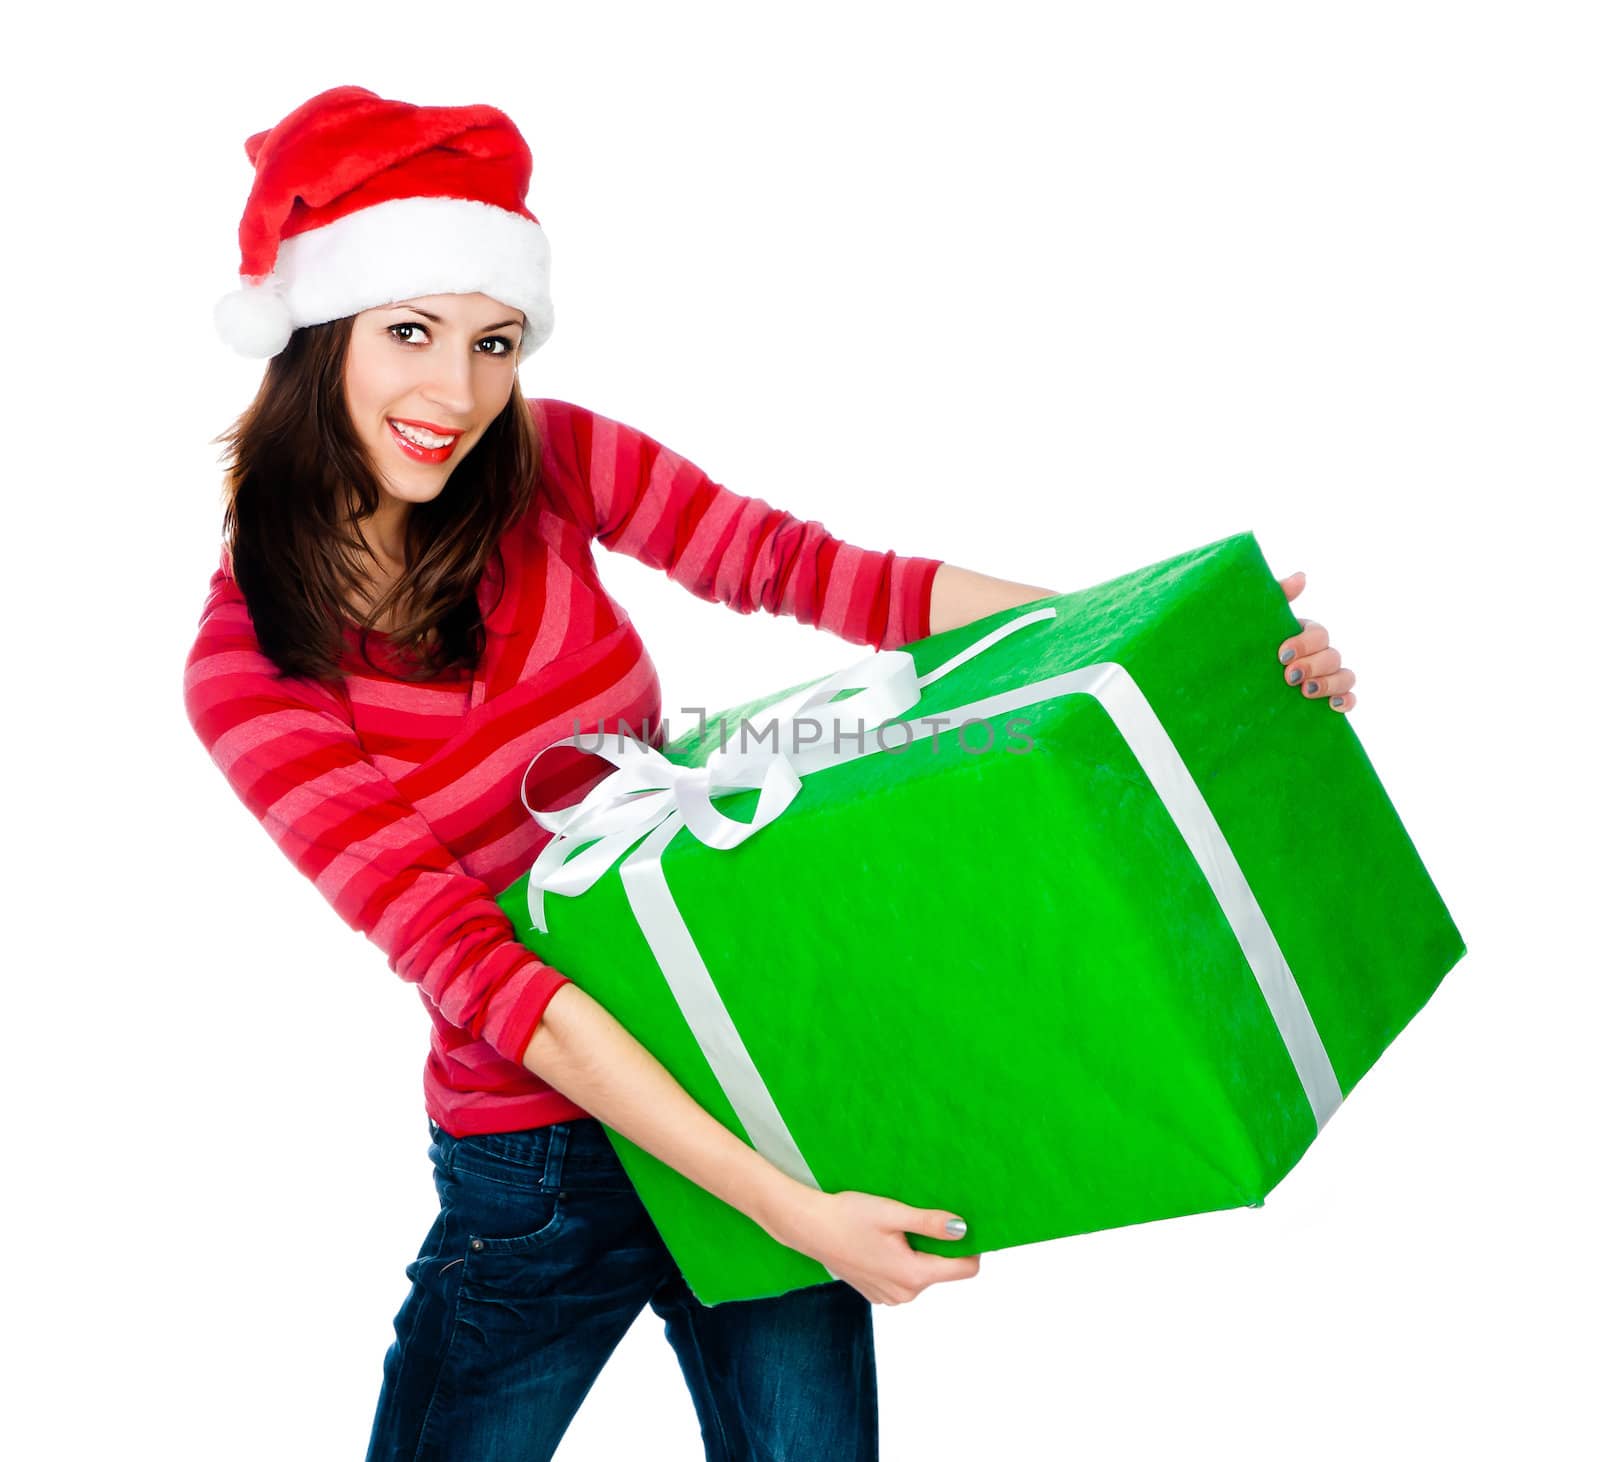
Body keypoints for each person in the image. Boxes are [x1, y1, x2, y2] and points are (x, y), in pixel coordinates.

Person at [186, 85, 1359, 1462]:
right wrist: (788, 1208)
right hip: (543, 1164)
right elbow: (498, 983)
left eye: (493, 340)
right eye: (408, 332)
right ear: (314, 333)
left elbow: (819, 574)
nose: (456, 392)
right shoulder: (251, 672)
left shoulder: (545, 462)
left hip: (746, 1054)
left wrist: (1168, 647)